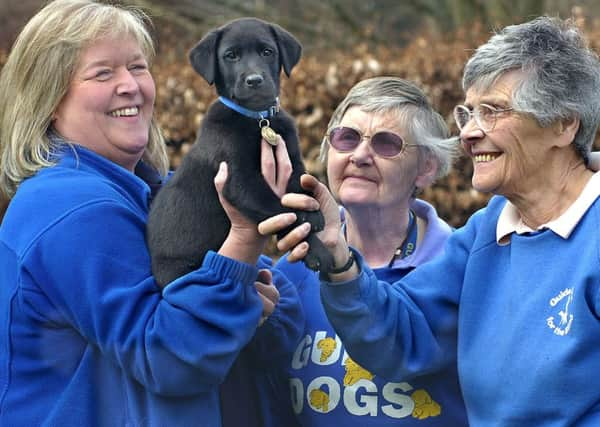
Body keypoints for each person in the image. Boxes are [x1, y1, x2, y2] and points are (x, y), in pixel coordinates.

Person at [260, 16, 600, 426]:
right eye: (469, 113)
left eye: (492, 111)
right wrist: (338, 259)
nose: (469, 133)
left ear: (563, 124)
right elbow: (403, 336)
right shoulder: (489, 230)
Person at [0, 1, 302, 426]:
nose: (131, 86)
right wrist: (243, 247)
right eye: (103, 73)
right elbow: (172, 360)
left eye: (137, 67)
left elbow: (283, 318)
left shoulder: (154, 191)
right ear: (49, 97)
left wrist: (247, 299)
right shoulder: (74, 210)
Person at [262, 77, 467, 426]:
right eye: (347, 138)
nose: (359, 156)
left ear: (427, 167)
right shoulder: (295, 268)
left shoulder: (457, 267)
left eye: (387, 144)